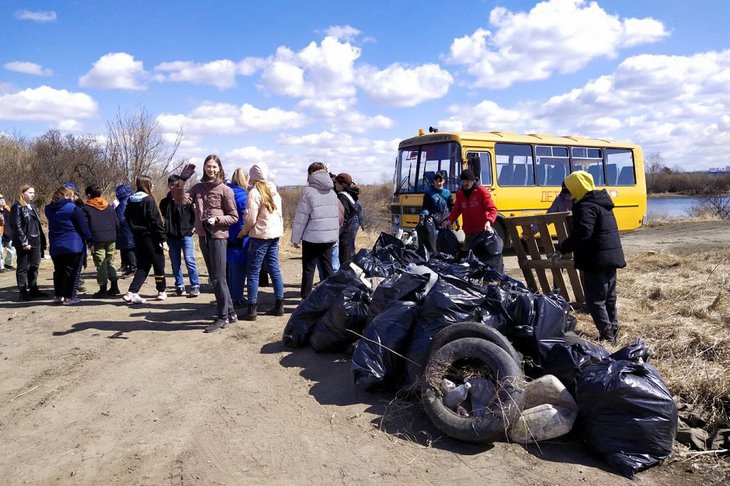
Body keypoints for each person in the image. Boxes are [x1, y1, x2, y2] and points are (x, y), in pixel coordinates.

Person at [555, 170, 626, 344]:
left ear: (578, 188)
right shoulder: (603, 203)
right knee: (609, 297)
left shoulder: (585, 206)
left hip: (596, 260)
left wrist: (562, 248)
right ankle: (613, 330)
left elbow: (583, 233)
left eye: (570, 188)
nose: (568, 192)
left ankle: (607, 336)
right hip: (611, 257)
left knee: (595, 300)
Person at [173, 155, 238, 332]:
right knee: (216, 276)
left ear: (220, 169)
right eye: (209, 166)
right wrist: (181, 181)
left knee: (218, 278)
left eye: (214, 167)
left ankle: (222, 316)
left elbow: (234, 216)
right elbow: (180, 200)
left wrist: (217, 219)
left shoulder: (225, 190)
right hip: (203, 236)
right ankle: (231, 313)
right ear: (204, 168)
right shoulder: (198, 188)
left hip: (218, 236)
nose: (211, 170)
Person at [239, 163, 285, 321]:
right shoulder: (275, 192)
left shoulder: (254, 192)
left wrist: (244, 231)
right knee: (274, 269)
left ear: (253, 176)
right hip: (273, 235)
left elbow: (250, 218)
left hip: (259, 236)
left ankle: (252, 309)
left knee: (253, 272)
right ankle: (279, 305)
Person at [291, 162, 340, 298]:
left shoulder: (308, 191)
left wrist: (296, 238)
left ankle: (306, 299)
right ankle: (331, 298)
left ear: (310, 174)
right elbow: (334, 217)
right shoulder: (332, 192)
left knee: (308, 269)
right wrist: (335, 237)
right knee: (327, 268)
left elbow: (301, 218)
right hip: (328, 237)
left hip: (311, 237)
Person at [123, 175, 168, 304]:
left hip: (137, 238)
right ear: (146, 185)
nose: (153, 186)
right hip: (151, 237)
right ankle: (161, 291)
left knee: (143, 266)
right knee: (159, 263)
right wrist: (163, 239)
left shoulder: (131, 200)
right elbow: (155, 221)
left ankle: (132, 292)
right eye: (151, 183)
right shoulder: (148, 200)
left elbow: (126, 218)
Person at [45, 185, 93, 305]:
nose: (73, 198)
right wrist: (90, 240)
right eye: (71, 196)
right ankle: (69, 296)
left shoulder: (48, 209)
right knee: (73, 272)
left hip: (56, 245)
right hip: (73, 244)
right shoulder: (72, 208)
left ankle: (58, 295)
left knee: (59, 271)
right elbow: (82, 226)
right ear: (66, 195)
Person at [160, 174, 200, 297]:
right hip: (172, 236)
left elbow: (195, 215)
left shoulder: (187, 200)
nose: (174, 187)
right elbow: (165, 218)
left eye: (177, 185)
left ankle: (195, 285)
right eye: (172, 185)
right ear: (168, 186)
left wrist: (193, 228)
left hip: (186, 234)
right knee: (175, 263)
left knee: (190, 260)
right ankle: (179, 286)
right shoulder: (165, 202)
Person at [10, 184, 47, 301]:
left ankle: (33, 288)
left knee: (35, 265)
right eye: (30, 192)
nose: (33, 195)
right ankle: (22, 292)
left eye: (33, 192)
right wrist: (24, 241)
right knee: (23, 266)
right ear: (22, 193)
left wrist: (42, 240)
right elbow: (17, 226)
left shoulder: (33, 206)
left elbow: (37, 224)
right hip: (25, 241)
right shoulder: (17, 206)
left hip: (36, 239)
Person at [444, 169, 498, 247]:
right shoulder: (460, 193)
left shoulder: (481, 191)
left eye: (467, 181)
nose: (465, 184)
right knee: (469, 257)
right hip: (468, 233)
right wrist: (449, 220)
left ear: (473, 181)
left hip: (482, 232)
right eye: (463, 181)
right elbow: (456, 210)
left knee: (481, 257)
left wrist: (488, 222)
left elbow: (493, 209)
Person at [83, 185, 120, 297]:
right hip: (111, 237)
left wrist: (89, 241)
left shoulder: (86, 208)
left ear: (89, 195)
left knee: (101, 264)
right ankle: (114, 287)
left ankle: (103, 288)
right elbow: (117, 223)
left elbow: (85, 226)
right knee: (110, 261)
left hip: (97, 239)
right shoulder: (108, 206)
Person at [226, 168, 250, 306]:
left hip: (227, 235)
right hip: (240, 235)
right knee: (240, 269)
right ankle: (237, 297)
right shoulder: (243, 196)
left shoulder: (227, 192)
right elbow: (246, 216)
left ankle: (230, 295)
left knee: (231, 268)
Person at [334, 173, 361, 266]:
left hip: (345, 231)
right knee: (349, 256)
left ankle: (345, 278)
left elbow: (343, 216)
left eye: (336, 182)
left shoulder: (342, 196)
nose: (335, 184)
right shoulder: (350, 195)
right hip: (350, 229)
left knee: (344, 259)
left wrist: (339, 230)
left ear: (342, 184)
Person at [115, 183, 137, 278]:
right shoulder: (131, 200)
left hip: (127, 231)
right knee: (129, 250)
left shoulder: (124, 203)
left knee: (129, 250)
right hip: (130, 231)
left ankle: (133, 269)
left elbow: (119, 219)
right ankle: (130, 268)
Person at [0, 193, 16, 271]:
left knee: (13, 250)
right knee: (0, 251)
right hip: (1, 234)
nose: (2, 201)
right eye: (0, 200)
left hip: (8, 234)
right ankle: (1, 267)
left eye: (3, 200)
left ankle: (8, 264)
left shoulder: (7, 209)